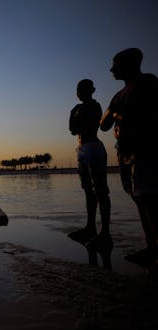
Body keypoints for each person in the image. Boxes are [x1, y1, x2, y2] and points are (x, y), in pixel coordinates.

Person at [100, 48, 158, 268]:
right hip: (126, 155)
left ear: (130, 64)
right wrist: (116, 114)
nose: (111, 69)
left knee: (150, 200)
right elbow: (104, 124)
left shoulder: (148, 82)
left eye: (115, 64)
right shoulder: (119, 95)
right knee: (140, 200)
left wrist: (125, 117)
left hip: (147, 150)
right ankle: (151, 247)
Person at [67, 79, 112, 251]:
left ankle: (105, 232)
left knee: (100, 190)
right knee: (87, 189)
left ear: (91, 90)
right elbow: (72, 130)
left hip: (93, 147)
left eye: (83, 89)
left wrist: (77, 118)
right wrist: (74, 115)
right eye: (78, 90)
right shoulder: (76, 109)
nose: (79, 93)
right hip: (82, 149)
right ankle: (90, 227)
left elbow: (90, 125)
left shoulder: (95, 105)